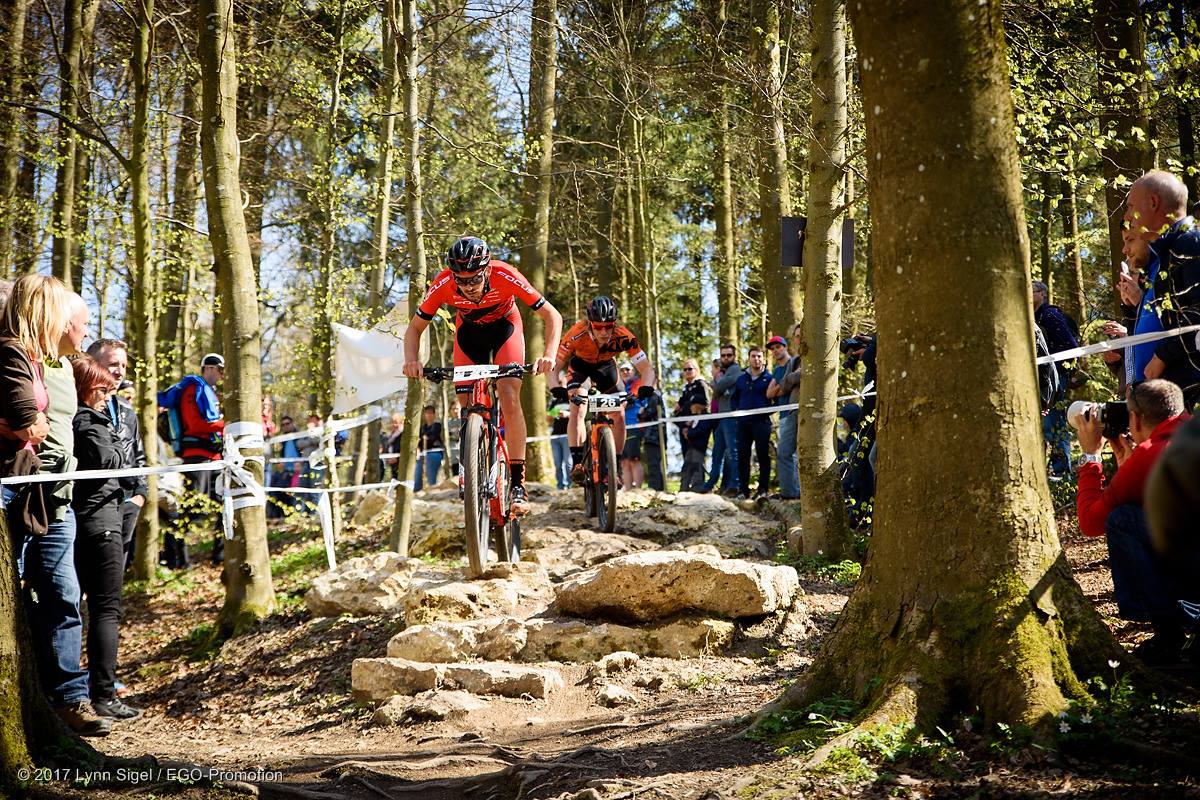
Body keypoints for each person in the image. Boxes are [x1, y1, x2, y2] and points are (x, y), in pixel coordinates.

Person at [2, 281, 109, 736]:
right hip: (18, 489)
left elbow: (58, 422)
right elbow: (29, 421)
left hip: (57, 500)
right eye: (81, 324)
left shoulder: (65, 366)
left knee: (65, 595)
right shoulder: (16, 353)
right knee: (15, 599)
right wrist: (27, 426)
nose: (84, 333)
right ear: (56, 318)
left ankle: (68, 697)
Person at [402, 236, 563, 514]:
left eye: (474, 279)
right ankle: (474, 464)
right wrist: (411, 361)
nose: (468, 287)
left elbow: (552, 316)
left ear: (487, 269)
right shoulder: (442, 284)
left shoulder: (506, 275)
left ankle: (517, 484)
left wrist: (549, 353)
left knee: (509, 397)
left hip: (505, 330)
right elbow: (414, 329)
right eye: (461, 280)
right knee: (467, 404)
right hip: (469, 336)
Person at [1074, 379, 1193, 666]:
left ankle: (1168, 634)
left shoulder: (1151, 453)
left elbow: (1090, 522)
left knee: (1122, 520)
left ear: (1136, 420)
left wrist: (1091, 455)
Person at [71, 355, 143, 720]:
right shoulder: (88, 421)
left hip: (101, 516)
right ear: (87, 388)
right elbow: (110, 460)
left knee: (95, 606)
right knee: (106, 608)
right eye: (101, 388)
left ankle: (94, 690)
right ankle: (103, 694)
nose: (107, 394)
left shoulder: (89, 419)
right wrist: (116, 445)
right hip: (100, 521)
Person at [548, 296, 656, 488]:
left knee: (619, 413)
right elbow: (555, 366)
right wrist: (555, 387)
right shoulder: (576, 333)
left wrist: (646, 387)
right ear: (590, 324)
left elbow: (647, 369)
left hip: (607, 369)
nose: (604, 331)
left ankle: (615, 467)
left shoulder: (624, 336)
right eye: (598, 327)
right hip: (581, 369)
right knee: (578, 407)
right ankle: (578, 462)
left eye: (609, 326)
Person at [1122, 169, 1200, 409]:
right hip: (1178, 398)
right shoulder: (1162, 259)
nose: (1127, 216)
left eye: (1130, 206)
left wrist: (1161, 357)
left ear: (1153, 203)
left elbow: (1198, 313)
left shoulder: (1190, 243)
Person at [85, 339, 148, 570]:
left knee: (114, 577)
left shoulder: (127, 408)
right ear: (92, 363)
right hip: (93, 502)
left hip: (128, 499)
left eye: (123, 365)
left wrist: (140, 494)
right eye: (113, 363)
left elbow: (138, 455)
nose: (119, 371)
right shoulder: (79, 404)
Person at [159, 352, 226, 565]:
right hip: (197, 457)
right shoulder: (192, 389)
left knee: (224, 507)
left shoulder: (211, 393)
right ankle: (176, 557)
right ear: (208, 368)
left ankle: (220, 556)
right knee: (193, 509)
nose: (222, 375)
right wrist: (226, 423)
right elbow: (195, 424)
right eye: (220, 370)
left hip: (215, 457)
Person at [1032, 280, 1079, 477]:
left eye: (1032, 290)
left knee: (1054, 422)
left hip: (1054, 377)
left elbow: (1071, 345)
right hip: (1039, 376)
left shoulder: (1050, 314)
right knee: (1043, 424)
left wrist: (1062, 373)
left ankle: (1062, 473)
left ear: (1042, 294)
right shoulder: (1030, 317)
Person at [699, 344, 742, 495]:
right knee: (717, 453)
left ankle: (735, 484)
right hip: (720, 418)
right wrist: (718, 386)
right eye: (723, 355)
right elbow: (718, 390)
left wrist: (717, 385)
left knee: (732, 452)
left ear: (734, 356)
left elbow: (718, 387)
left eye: (728, 355)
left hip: (731, 416)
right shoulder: (724, 372)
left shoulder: (735, 370)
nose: (725, 358)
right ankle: (711, 482)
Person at [765, 333, 800, 499]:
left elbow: (783, 388)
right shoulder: (777, 370)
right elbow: (769, 393)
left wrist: (784, 385)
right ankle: (791, 491)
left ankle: (792, 492)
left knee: (791, 454)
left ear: (786, 346)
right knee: (788, 453)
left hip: (794, 411)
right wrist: (784, 385)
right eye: (772, 348)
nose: (775, 350)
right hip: (784, 414)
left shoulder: (794, 362)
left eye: (778, 346)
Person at [268, 415, 303, 517]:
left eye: (287, 424)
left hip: (297, 472)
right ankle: (277, 516)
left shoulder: (299, 437)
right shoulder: (283, 440)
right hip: (286, 472)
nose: (285, 426)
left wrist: (301, 463)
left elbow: (305, 452)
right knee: (275, 490)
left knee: (293, 495)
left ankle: (294, 516)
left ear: (292, 424)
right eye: (283, 425)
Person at [618, 363, 645, 489]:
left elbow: (637, 401)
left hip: (634, 425)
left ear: (633, 371)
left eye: (627, 369)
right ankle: (628, 490)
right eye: (622, 370)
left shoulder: (638, 383)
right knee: (624, 462)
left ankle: (638, 489)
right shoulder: (618, 386)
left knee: (634, 459)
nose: (625, 372)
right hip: (619, 426)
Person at [679, 400, 715, 492]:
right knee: (686, 467)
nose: (691, 407)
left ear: (698, 406)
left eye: (692, 405)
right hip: (690, 447)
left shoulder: (705, 418)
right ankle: (684, 488)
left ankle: (697, 487)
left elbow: (702, 430)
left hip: (699, 448)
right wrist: (686, 426)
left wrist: (689, 433)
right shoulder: (693, 418)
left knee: (696, 467)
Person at [547, 380, 571, 490]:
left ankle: (570, 485)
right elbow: (548, 418)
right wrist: (554, 414)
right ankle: (560, 486)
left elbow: (581, 414)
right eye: (559, 383)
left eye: (564, 383)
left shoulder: (572, 397)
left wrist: (568, 414)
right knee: (557, 463)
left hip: (568, 435)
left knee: (568, 463)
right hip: (555, 435)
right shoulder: (555, 400)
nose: (561, 386)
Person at [414, 405, 445, 491]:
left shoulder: (438, 426)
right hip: (422, 454)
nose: (429, 415)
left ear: (434, 415)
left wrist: (424, 440)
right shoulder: (422, 428)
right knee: (417, 473)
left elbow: (432, 439)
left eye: (431, 413)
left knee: (431, 475)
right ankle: (417, 490)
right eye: (427, 413)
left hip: (435, 453)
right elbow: (419, 442)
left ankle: (433, 489)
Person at [383, 412, 404, 481]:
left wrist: (397, 459)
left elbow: (404, 449)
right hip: (392, 462)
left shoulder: (403, 434)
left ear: (401, 422)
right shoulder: (392, 434)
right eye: (393, 422)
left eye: (396, 422)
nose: (394, 425)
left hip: (400, 462)